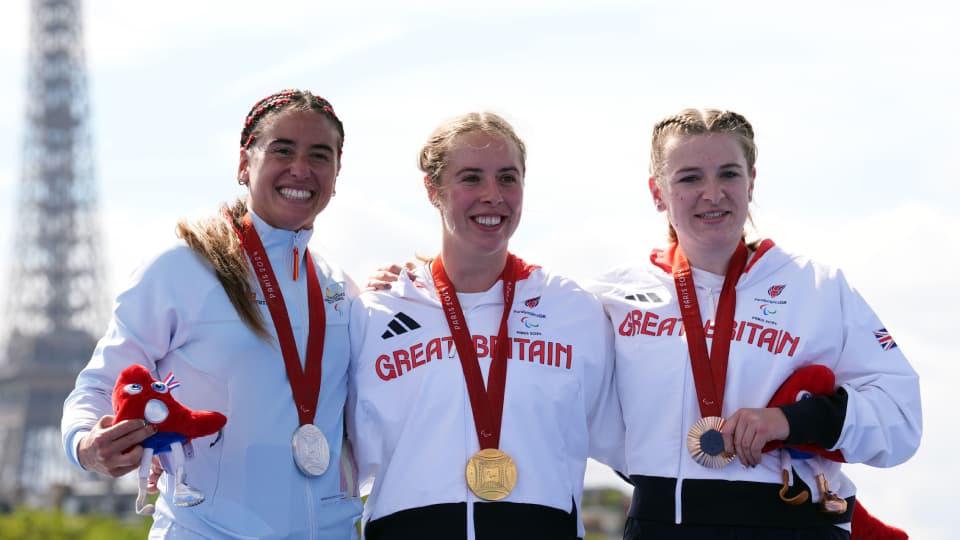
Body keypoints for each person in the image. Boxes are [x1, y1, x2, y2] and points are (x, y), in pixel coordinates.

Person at [587, 108, 922, 539]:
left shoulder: (816, 287)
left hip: (793, 523)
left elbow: (901, 419)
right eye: (689, 178)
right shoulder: (611, 297)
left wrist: (792, 421)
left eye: (728, 174)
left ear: (751, 182)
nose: (712, 193)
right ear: (658, 192)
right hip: (662, 525)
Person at [60, 89, 362, 539]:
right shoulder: (181, 267)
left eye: (320, 155)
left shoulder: (341, 288)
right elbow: (100, 383)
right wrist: (85, 444)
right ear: (245, 163)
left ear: (336, 175)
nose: (301, 168)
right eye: (282, 150)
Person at [347, 112, 624, 540]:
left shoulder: (573, 309)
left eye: (507, 178)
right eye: (472, 178)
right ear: (432, 189)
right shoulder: (376, 312)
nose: (492, 195)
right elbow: (343, 453)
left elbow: (633, 432)